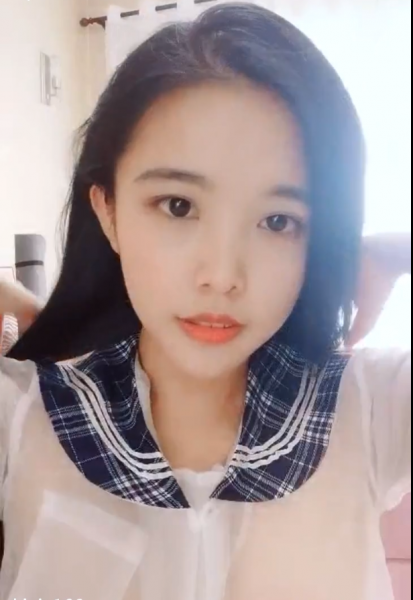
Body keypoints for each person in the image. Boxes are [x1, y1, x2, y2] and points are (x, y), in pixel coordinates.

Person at [0, 3, 411, 599]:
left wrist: (393, 252)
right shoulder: (22, 417)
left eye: (278, 220)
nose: (222, 276)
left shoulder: (374, 409)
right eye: (179, 206)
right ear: (108, 211)